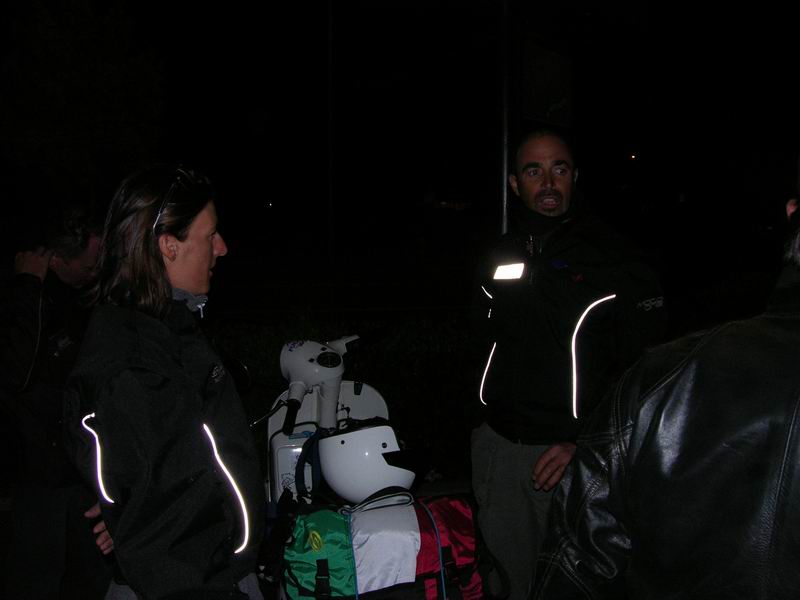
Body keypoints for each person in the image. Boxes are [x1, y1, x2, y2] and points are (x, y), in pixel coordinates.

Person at [530, 197, 800, 599]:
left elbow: (578, 565)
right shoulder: (665, 376)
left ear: (792, 213)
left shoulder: (664, 368)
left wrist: (592, 435)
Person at [469, 127, 666, 599]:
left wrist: (586, 441)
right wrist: (479, 426)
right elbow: (478, 340)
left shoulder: (614, 257)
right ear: (515, 183)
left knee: (578, 587)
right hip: (501, 451)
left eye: (558, 169)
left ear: (574, 177)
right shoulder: (499, 254)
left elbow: (647, 367)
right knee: (505, 583)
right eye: (533, 171)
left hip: (573, 458)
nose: (548, 182)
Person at [63, 164, 266, 600]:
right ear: (168, 246)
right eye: (210, 235)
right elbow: (171, 543)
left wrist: (128, 509)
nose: (222, 248)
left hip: (218, 569)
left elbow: (165, 475)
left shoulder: (166, 330)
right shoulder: (139, 365)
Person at [0, 202, 112, 599]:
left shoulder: (86, 299)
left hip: (81, 469)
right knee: (37, 579)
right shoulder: (24, 293)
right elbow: (15, 371)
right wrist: (28, 287)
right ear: (59, 257)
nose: (97, 270)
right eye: (91, 262)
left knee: (92, 578)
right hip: (36, 476)